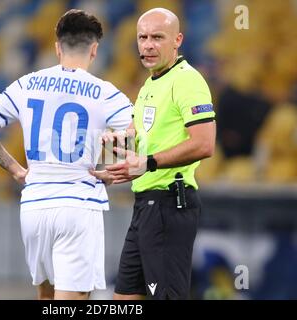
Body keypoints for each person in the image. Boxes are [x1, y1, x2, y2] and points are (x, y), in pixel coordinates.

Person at [0, 9, 133, 300]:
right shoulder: (105, 93)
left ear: (57, 48)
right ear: (94, 50)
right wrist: (114, 164)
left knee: (46, 297)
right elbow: (138, 133)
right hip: (77, 205)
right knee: (72, 301)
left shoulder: (27, 83)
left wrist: (17, 170)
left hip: (35, 205)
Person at [91, 8, 216, 300]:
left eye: (157, 37)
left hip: (169, 204)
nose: (148, 44)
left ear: (177, 40)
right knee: (123, 299)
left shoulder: (187, 80)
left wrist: (147, 163)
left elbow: (205, 143)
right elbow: (137, 137)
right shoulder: (151, 84)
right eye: (143, 37)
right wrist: (113, 160)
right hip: (145, 206)